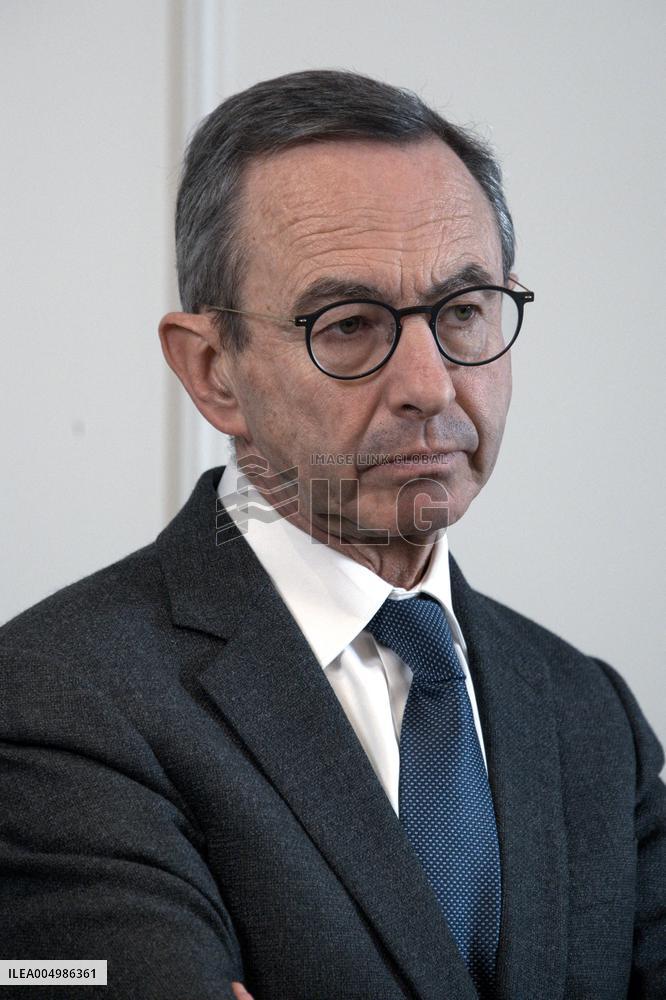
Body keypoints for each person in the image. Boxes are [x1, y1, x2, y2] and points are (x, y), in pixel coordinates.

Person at [1, 70, 664, 1000]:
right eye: (350, 326)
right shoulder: (54, 701)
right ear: (211, 370)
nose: (431, 386)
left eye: (464, 312)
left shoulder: (591, 715)